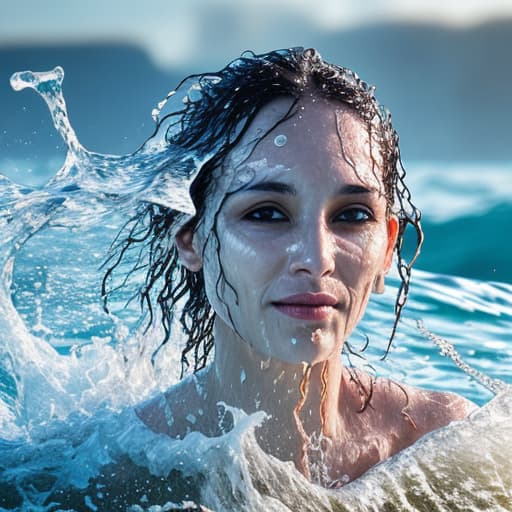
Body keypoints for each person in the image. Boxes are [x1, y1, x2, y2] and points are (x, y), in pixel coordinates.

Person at [103, 47, 476, 488]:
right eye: (266, 213)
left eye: (353, 215)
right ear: (192, 239)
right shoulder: (116, 466)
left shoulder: (442, 443)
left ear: (386, 249)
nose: (317, 260)